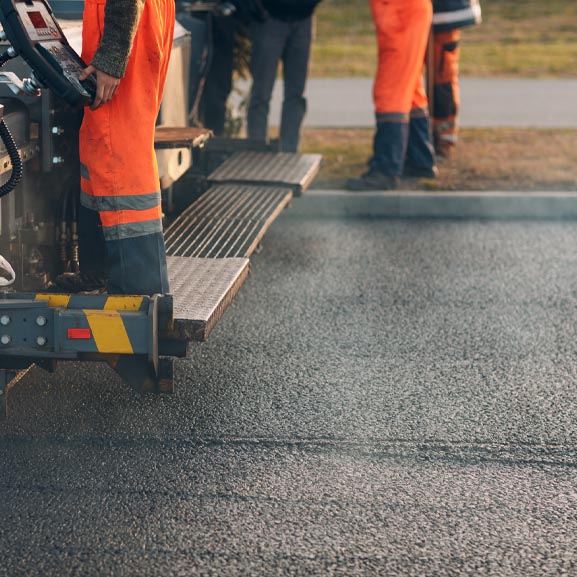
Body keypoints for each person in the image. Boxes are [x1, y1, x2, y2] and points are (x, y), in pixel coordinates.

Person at [60, 0, 175, 295]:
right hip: (139, 21)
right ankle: (98, 269)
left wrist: (112, 57)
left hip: (124, 27)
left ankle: (138, 287)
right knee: (102, 147)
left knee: (120, 157)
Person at [347, 0, 436, 191]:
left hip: (400, 16)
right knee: (410, 89)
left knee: (390, 93)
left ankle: (386, 170)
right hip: (406, 13)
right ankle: (419, 159)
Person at [247, 0, 323, 153]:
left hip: (303, 19)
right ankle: (255, 150)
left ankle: (290, 150)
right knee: (261, 92)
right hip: (269, 18)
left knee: (296, 93)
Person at [432, 0, 482, 159]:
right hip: (434, 12)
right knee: (439, 74)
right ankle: (429, 137)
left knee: (442, 74)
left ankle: (442, 138)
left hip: (445, 12)